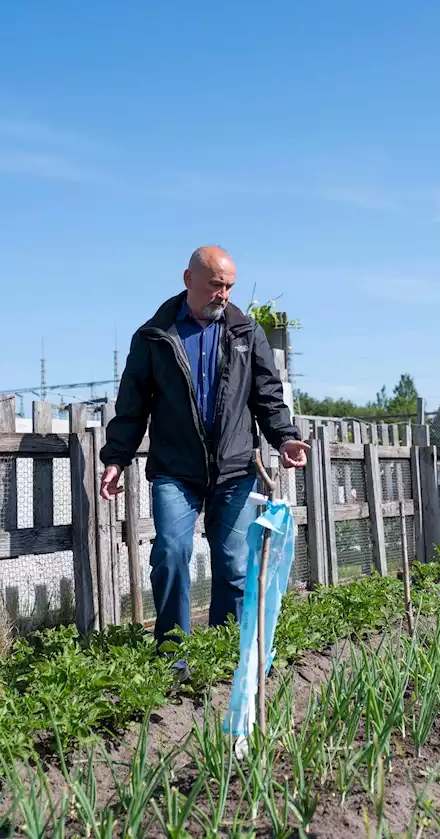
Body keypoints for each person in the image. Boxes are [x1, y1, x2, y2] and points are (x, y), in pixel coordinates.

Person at [98, 246, 309, 660]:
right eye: (215, 285)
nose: (223, 294)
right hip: (175, 471)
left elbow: (267, 396)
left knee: (232, 564)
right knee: (171, 553)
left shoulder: (247, 333)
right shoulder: (154, 336)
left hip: (235, 471)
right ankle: (174, 656)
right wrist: (116, 459)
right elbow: (132, 406)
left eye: (228, 286)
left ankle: (221, 655)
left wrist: (284, 437)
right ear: (188, 279)